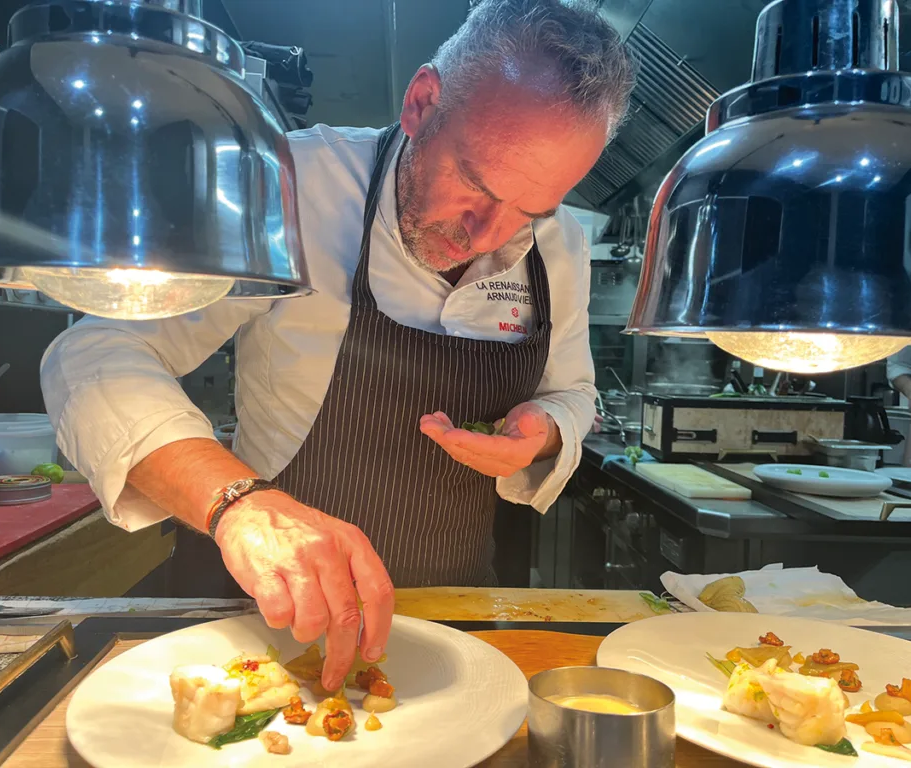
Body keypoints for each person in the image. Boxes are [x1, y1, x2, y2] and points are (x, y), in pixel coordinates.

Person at [41, 0, 633, 690]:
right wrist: (237, 502)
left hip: (453, 621)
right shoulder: (291, 184)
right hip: (260, 624)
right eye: (474, 185)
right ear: (420, 104)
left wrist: (542, 431)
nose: (485, 236)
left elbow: (573, 390)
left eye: (530, 211)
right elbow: (97, 351)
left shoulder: (563, 248)